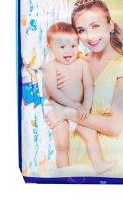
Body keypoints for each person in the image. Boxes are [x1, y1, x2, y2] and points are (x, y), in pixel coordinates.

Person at [45, 0, 123, 177]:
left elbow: (114, 126)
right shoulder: (76, 62)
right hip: (74, 149)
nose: (89, 36)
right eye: (81, 30)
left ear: (110, 25)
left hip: (108, 154)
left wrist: (68, 113)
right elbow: (55, 94)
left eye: (95, 26)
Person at [43, 22, 115, 174]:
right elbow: (52, 90)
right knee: (62, 144)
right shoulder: (51, 67)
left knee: (91, 135)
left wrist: (86, 106)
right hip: (59, 110)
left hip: (78, 110)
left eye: (73, 46)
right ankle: (63, 172)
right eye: (62, 47)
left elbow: (89, 86)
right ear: (50, 48)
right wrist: (72, 104)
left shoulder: (81, 64)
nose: (68, 50)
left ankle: (99, 163)